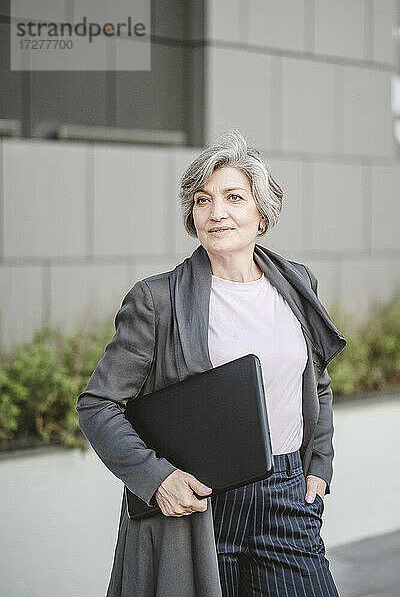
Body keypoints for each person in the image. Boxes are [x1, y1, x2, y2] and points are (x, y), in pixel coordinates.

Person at [76, 129, 346, 597]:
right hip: (200, 505)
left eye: (233, 197)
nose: (216, 212)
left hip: (287, 494)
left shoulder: (297, 285)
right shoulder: (157, 300)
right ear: (192, 216)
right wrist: (157, 479)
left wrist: (319, 467)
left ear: (261, 214)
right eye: (203, 201)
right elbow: (98, 405)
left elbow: (315, 381)